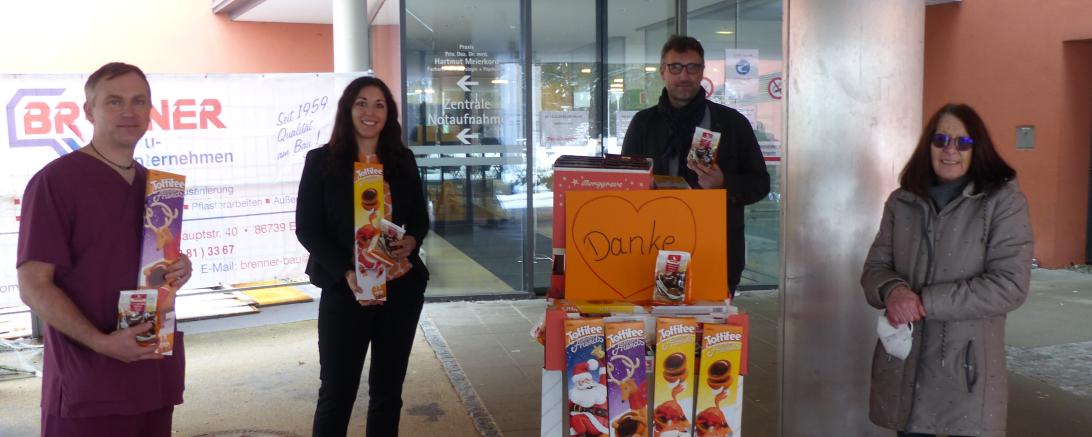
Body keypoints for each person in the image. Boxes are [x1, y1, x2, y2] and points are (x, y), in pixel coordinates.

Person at [16, 62, 193, 436]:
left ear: (150, 111)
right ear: (88, 111)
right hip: (89, 380)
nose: (129, 112)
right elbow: (34, 285)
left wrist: (178, 268)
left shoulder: (156, 187)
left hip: (151, 367)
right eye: (114, 101)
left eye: (139, 101)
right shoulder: (55, 182)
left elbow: (145, 263)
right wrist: (101, 342)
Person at [861, 104, 1034, 437]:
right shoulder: (902, 201)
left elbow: (1010, 285)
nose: (950, 149)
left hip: (964, 372)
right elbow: (875, 268)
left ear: (976, 149)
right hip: (905, 371)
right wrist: (893, 291)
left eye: (962, 143)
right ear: (928, 146)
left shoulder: (1002, 203)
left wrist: (925, 302)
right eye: (940, 139)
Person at [295, 76, 430, 437]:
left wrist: (412, 240)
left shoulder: (402, 160)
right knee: (336, 393)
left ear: (389, 114)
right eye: (362, 103)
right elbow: (307, 228)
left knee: (388, 393)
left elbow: (419, 217)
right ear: (348, 109)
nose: (370, 112)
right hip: (345, 289)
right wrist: (346, 271)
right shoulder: (321, 162)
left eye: (379, 104)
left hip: (400, 289)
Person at [622, 35, 770, 297]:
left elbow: (760, 183)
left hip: (715, 251)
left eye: (692, 67)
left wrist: (724, 183)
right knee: (658, 333)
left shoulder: (732, 123)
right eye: (675, 67)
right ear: (662, 72)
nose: (684, 76)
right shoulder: (643, 124)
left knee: (709, 334)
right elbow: (626, 185)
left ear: (702, 71)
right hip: (653, 248)